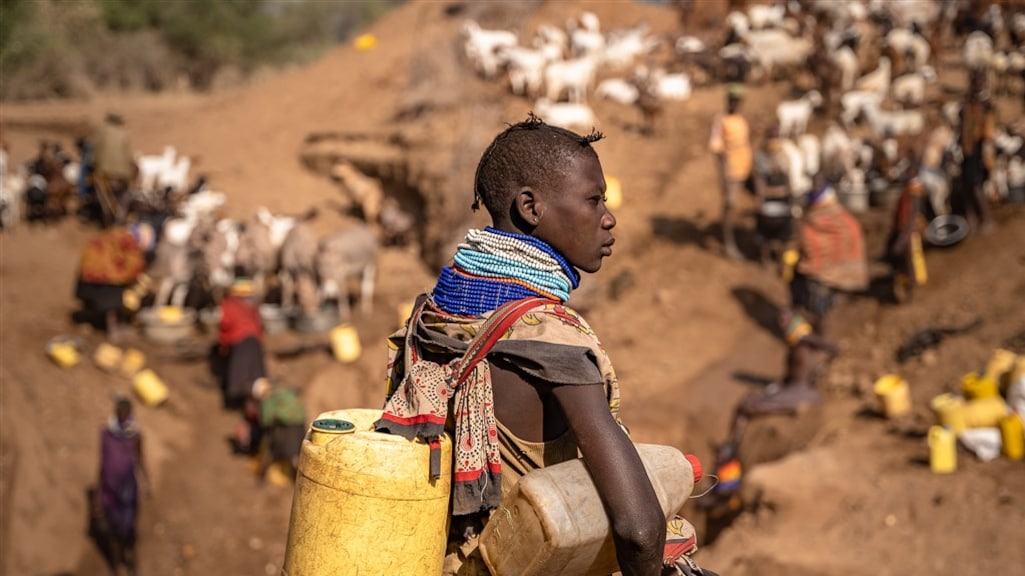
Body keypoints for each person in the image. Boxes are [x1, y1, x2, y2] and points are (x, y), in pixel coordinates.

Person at [374, 115, 713, 576]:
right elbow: (638, 528)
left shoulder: (435, 315)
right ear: (530, 208)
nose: (608, 218)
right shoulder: (552, 342)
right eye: (593, 200)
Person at [703, 307, 838, 510]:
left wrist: (820, 370)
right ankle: (731, 448)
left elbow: (833, 349)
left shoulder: (804, 340)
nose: (783, 325)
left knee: (746, 405)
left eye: (786, 321)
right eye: (781, 321)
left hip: (798, 393)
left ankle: (733, 444)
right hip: (793, 389)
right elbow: (791, 375)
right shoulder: (798, 345)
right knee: (751, 399)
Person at [787, 175, 868, 337]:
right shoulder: (814, 204)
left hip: (821, 271)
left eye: (818, 183)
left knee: (820, 310)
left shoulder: (830, 209)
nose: (815, 185)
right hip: (817, 268)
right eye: (814, 183)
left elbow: (845, 231)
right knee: (814, 303)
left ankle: (820, 337)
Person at [94, 395, 149, 576]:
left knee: (130, 531)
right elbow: (102, 466)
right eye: (120, 412)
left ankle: (132, 563)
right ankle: (116, 567)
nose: (123, 416)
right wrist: (98, 496)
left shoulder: (135, 437)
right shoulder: (107, 435)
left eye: (125, 413)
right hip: (110, 492)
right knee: (113, 533)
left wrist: (147, 483)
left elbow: (141, 460)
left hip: (128, 493)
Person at [75, 223, 155, 342]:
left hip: (90, 270)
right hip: (104, 275)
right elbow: (133, 266)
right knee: (113, 300)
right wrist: (138, 281)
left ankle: (94, 319)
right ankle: (114, 330)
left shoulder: (120, 233)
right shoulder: (130, 242)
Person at [216, 278, 267, 451]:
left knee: (245, 386)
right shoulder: (252, 305)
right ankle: (253, 422)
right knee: (255, 386)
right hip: (255, 345)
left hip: (240, 344)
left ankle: (250, 425)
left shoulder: (228, 306)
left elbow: (225, 325)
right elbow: (259, 326)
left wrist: (223, 346)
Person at [708, 84, 753, 261]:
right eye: (733, 100)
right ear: (727, 101)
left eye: (738, 101)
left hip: (746, 167)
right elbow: (717, 151)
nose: (735, 104)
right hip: (732, 171)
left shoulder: (740, 119)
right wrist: (723, 178)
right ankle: (729, 243)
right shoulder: (721, 121)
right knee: (730, 205)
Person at [957, 71, 996, 234]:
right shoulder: (968, 102)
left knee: (976, 185)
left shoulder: (985, 105)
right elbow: (962, 124)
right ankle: (971, 218)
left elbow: (988, 131)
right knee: (966, 184)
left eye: (980, 82)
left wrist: (987, 151)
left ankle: (987, 218)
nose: (977, 86)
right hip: (967, 149)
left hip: (978, 149)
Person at [252, 377, 306, 484]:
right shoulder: (286, 392)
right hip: (299, 426)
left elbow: (266, 421)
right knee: (297, 454)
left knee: (273, 452)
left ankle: (260, 478)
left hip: (285, 429)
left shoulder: (268, 399)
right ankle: (300, 480)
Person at [886, 173, 929, 303]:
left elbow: (910, 222)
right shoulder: (906, 199)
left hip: (909, 236)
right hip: (907, 235)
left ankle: (909, 290)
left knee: (910, 264)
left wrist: (902, 240)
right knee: (907, 263)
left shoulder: (912, 200)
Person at [92, 112, 136, 226]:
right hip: (123, 174)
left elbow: (95, 153)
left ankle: (107, 214)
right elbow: (129, 157)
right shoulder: (123, 134)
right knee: (124, 195)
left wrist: (94, 165)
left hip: (105, 173)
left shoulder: (101, 132)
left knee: (101, 192)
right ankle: (120, 217)